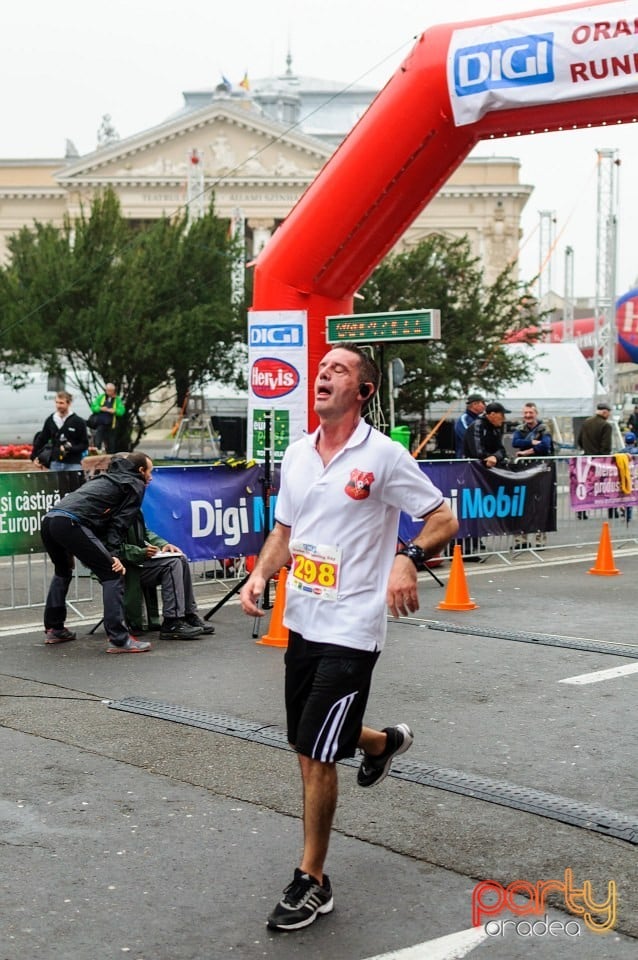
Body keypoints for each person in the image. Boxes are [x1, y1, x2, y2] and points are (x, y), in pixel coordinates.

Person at [239, 344, 458, 932]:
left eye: (338, 370)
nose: (323, 375)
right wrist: (261, 572)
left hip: (354, 629)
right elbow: (286, 531)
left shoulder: (382, 456)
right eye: (320, 369)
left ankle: (312, 879)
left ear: (362, 392)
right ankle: (380, 743)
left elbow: (443, 516)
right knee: (304, 737)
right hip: (303, 622)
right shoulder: (297, 454)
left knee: (315, 753)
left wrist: (408, 558)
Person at [39, 452, 153, 653]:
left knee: (63, 571)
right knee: (113, 573)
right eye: (150, 471)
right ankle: (120, 639)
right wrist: (114, 555)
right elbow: (119, 523)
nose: (151, 477)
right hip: (70, 522)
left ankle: (54, 629)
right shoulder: (135, 484)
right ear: (141, 471)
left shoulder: (106, 477)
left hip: (50, 520)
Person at [119, 511, 215, 639]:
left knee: (181, 559)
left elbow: (144, 532)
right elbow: (111, 547)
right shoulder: (113, 507)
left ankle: (188, 614)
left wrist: (162, 544)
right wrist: (141, 552)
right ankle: (172, 621)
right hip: (124, 567)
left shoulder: (130, 504)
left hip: (134, 563)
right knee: (171, 564)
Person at [511, 403, 554, 549]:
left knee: (541, 505)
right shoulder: (519, 429)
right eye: (525, 413)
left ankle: (539, 539)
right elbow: (515, 442)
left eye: (530, 413)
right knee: (523, 503)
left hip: (542, 470)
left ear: (536, 413)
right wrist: (531, 442)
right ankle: (520, 540)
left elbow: (545, 446)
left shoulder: (544, 428)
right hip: (524, 470)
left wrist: (525, 452)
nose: (528, 415)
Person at [31, 391, 88, 472]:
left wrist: (70, 448)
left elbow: (84, 444)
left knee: (74, 484)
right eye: (56, 402)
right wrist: (34, 456)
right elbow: (42, 439)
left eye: (61, 403)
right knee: (55, 484)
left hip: (73, 463)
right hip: (55, 462)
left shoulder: (78, 421)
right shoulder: (51, 420)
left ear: (69, 403)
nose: (58, 405)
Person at [577, 402, 613, 519]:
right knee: (607, 486)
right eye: (608, 413)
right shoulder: (606, 425)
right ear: (604, 412)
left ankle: (582, 511)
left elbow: (579, 441)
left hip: (587, 459)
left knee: (588, 485)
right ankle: (612, 512)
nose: (609, 416)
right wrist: (605, 459)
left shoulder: (586, 422)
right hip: (601, 460)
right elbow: (606, 446)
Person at [462, 401, 510, 467]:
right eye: (502, 415)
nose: (504, 418)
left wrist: (495, 457)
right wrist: (492, 457)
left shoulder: (495, 428)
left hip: (491, 467)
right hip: (473, 469)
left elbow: (502, 450)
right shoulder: (478, 425)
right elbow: (477, 452)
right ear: (493, 414)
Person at [90, 383, 126, 453]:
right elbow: (93, 407)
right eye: (108, 390)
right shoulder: (101, 397)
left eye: (111, 391)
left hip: (112, 425)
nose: (109, 392)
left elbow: (122, 411)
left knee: (111, 443)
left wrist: (114, 411)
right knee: (98, 442)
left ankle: (111, 457)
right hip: (101, 424)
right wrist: (100, 408)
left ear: (114, 391)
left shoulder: (117, 399)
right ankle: (97, 455)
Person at [454, 393, 486, 458]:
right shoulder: (464, 419)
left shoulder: (480, 419)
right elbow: (468, 438)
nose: (485, 406)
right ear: (474, 404)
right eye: (483, 403)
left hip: (478, 458)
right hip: (465, 460)